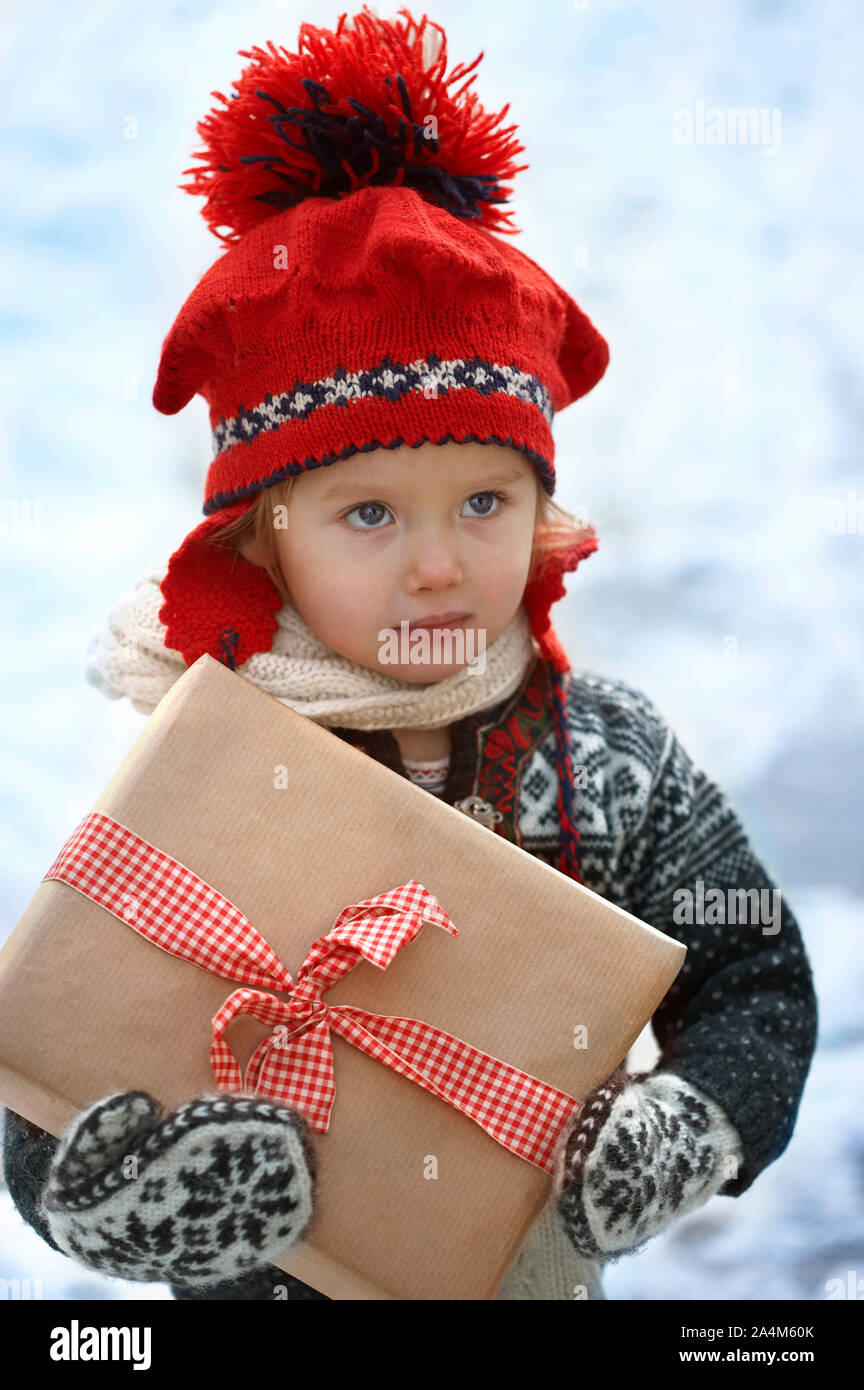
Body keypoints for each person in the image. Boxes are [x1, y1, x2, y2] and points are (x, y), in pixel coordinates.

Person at [2, 7, 817, 1302]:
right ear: (265, 537)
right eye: (369, 513)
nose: (439, 564)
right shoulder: (205, 765)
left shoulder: (603, 754)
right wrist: (108, 1203)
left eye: (483, 502)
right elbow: (52, 1054)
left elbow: (756, 977)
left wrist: (689, 1122)